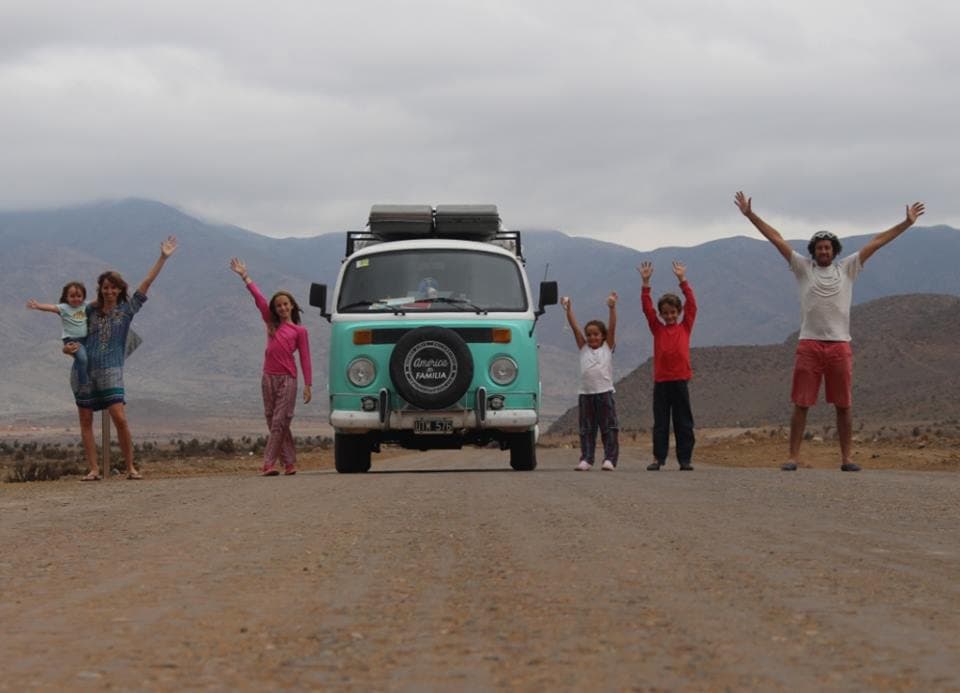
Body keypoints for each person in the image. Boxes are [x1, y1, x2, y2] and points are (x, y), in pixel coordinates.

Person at [734, 191, 926, 471]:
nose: (824, 251)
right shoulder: (802, 268)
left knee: (844, 405)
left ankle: (847, 457)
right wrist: (751, 216)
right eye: (819, 248)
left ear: (835, 251)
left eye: (828, 247)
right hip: (809, 344)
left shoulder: (848, 268)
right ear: (813, 251)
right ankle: (793, 456)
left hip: (839, 346)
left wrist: (906, 223)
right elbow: (776, 239)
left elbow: (877, 242)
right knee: (801, 403)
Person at [66, 236, 178, 480]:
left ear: (119, 289)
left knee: (119, 416)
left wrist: (163, 257)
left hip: (112, 370)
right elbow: (70, 330)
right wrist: (68, 349)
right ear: (100, 289)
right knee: (86, 420)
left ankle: (130, 467)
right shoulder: (88, 311)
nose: (109, 291)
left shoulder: (127, 310)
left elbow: (146, 283)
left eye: (113, 287)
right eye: (105, 287)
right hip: (84, 371)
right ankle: (94, 469)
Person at [230, 258, 313, 476]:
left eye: (286, 304)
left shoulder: (299, 332)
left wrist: (308, 385)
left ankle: (268, 463)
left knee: (279, 420)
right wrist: (245, 276)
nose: (282, 307)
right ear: (274, 310)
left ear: (292, 306)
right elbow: (259, 299)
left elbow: (305, 358)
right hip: (268, 377)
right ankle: (289, 463)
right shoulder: (271, 324)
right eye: (278, 305)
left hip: (288, 378)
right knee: (272, 418)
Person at [638, 260, 698, 471]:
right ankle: (658, 458)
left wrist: (682, 280)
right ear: (661, 314)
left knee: (683, 422)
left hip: (680, 380)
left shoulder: (685, 326)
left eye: (673, 312)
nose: (670, 316)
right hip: (662, 382)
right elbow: (647, 309)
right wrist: (646, 283)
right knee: (661, 423)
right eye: (666, 312)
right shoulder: (657, 329)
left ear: (679, 312)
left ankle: (685, 459)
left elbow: (692, 303)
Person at [561, 292, 619, 471]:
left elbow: (612, 325)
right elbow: (574, 327)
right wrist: (568, 310)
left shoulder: (607, 348)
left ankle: (609, 459)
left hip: (605, 393)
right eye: (589, 335)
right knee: (587, 429)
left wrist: (611, 307)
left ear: (603, 336)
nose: (592, 338)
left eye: (596, 334)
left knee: (608, 427)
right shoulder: (583, 348)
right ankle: (586, 458)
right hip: (586, 394)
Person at [26, 281, 91, 385]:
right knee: (83, 359)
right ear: (67, 297)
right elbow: (51, 308)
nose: (76, 299)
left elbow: (98, 302)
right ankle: (83, 382)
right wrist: (38, 306)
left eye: (79, 296)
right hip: (72, 340)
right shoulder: (64, 308)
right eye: (72, 296)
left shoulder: (86, 305)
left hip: (85, 339)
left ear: (83, 296)